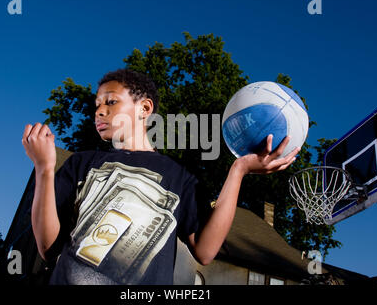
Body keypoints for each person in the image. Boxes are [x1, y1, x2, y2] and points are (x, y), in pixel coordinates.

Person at [22, 69, 299, 285]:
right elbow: (47, 248)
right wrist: (44, 169)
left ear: (144, 109)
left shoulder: (180, 178)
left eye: (111, 101)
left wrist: (238, 171)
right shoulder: (81, 164)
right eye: (96, 104)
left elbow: (205, 252)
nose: (99, 110)